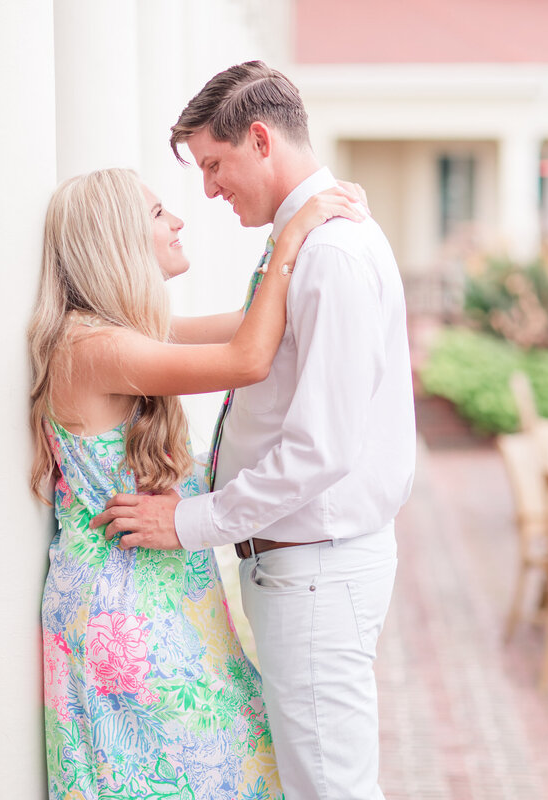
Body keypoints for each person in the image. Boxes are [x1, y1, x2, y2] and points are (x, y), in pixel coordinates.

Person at [90, 61, 417, 800]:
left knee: (328, 789)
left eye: (214, 164)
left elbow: (319, 450)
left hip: (317, 571)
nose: (208, 189)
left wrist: (192, 522)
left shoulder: (329, 253)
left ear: (260, 140)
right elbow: (249, 338)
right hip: (305, 567)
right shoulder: (310, 240)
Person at [31, 167, 365, 800]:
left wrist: (293, 230)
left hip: (157, 591)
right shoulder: (95, 347)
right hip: (123, 609)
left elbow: (250, 325)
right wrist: (293, 232)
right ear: (117, 240)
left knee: (227, 769)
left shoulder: (121, 337)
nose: (178, 221)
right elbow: (248, 359)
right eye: (159, 214)